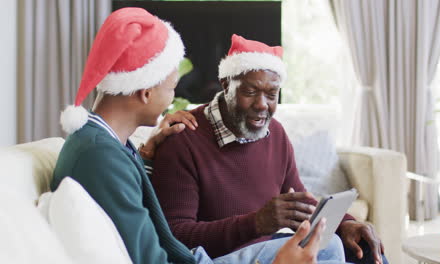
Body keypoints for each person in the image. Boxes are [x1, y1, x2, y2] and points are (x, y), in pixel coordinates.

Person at [51, 7, 346, 264]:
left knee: (333, 245)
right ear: (145, 91)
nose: (174, 99)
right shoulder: (99, 156)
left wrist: (146, 155)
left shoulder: (108, 146)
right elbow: (154, 254)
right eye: (171, 88)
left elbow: (138, 210)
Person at [152, 34, 388, 264]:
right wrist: (256, 223)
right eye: (250, 92)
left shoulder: (276, 134)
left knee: (363, 251)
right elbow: (175, 237)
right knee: (332, 250)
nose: (262, 104)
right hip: (217, 258)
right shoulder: (182, 139)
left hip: (271, 252)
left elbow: (300, 204)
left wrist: (345, 224)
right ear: (226, 84)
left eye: (271, 94)